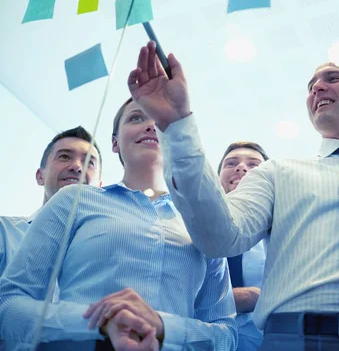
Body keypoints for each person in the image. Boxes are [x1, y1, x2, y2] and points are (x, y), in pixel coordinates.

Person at [121, 41, 339, 350]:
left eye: (332, 78)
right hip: (294, 340)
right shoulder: (276, 174)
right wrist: (176, 124)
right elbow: (220, 239)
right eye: (311, 85)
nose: (317, 88)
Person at [0, 98, 237, 351]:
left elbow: (228, 335)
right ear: (115, 143)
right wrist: (101, 322)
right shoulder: (74, 200)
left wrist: (164, 327)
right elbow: (9, 304)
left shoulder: (202, 221)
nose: (150, 125)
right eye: (137, 118)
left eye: (160, 121)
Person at [0, 126, 103, 351]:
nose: (77, 166)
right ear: (40, 176)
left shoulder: (106, 258)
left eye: (89, 162)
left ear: (100, 188)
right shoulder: (3, 232)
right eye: (65, 156)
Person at [217, 141, 269, 351]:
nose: (241, 167)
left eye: (253, 165)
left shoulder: (282, 233)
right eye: (230, 163)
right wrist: (245, 297)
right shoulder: (190, 228)